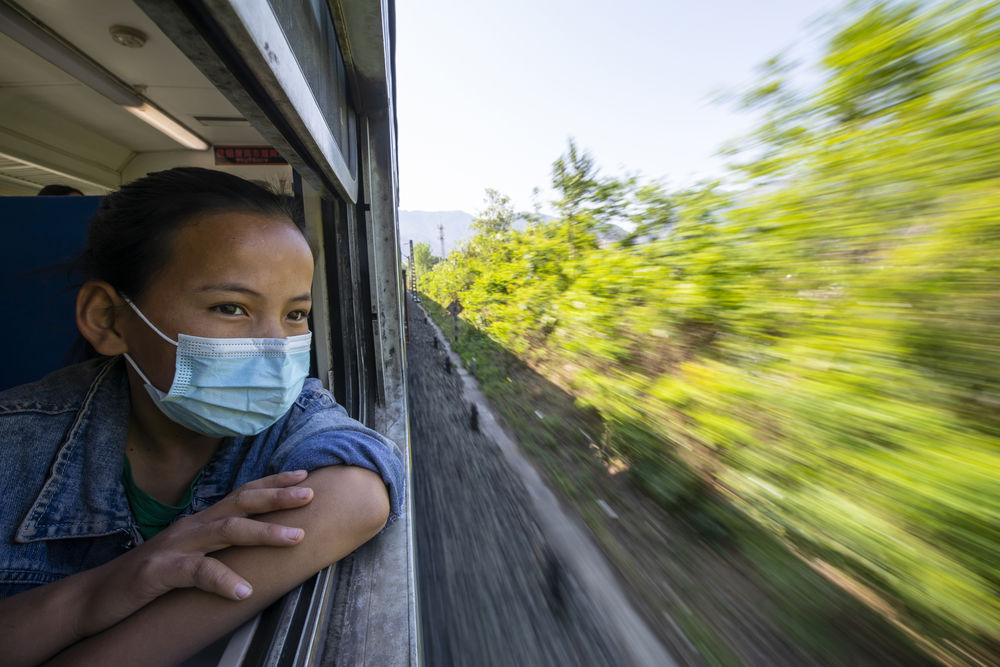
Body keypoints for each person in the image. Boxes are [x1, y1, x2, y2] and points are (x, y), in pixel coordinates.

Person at [0, 167, 404, 665]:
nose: (278, 349)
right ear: (108, 318)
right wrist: (92, 597)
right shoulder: (12, 446)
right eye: (231, 308)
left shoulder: (296, 419)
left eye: (295, 314)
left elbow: (359, 494)